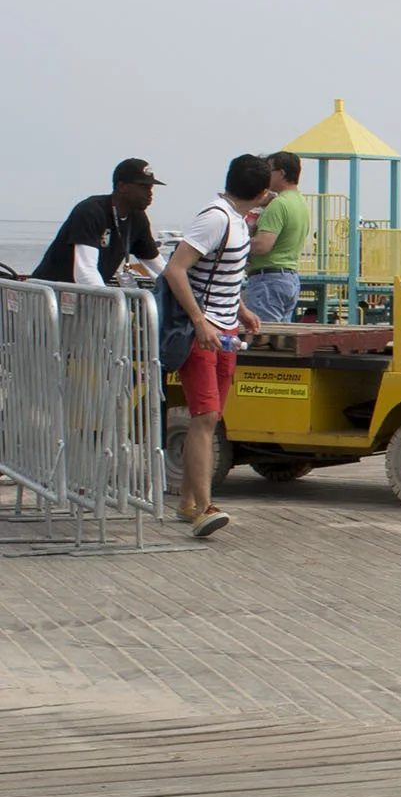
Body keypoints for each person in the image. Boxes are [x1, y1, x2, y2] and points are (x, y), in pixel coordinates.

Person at [161, 154, 271, 539]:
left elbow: (221, 274)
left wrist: (241, 310)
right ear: (261, 192)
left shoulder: (239, 222)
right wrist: (199, 320)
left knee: (210, 417)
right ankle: (203, 508)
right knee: (205, 416)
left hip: (225, 331)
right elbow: (176, 268)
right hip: (203, 333)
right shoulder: (217, 218)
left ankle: (189, 502)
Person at [31, 159, 163, 287]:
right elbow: (85, 272)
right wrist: (109, 303)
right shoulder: (91, 211)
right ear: (121, 186)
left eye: (150, 187)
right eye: (143, 187)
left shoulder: (137, 218)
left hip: (82, 298)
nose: (150, 193)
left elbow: (159, 267)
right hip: (50, 298)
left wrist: (181, 290)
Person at [244, 151, 309, 325]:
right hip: (289, 277)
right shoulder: (299, 202)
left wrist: (233, 244)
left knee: (263, 338)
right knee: (281, 338)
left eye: (268, 170)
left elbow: (262, 246)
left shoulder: (279, 204)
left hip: (268, 279)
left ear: (281, 173)